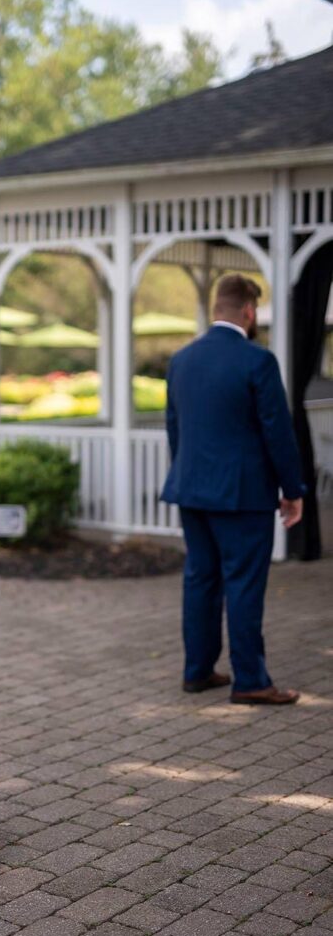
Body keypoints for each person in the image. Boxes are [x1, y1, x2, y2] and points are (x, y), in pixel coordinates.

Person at [161, 273, 305, 705]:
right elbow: (278, 432)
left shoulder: (181, 359)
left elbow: (175, 429)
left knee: (200, 579)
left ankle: (198, 671)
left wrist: (188, 474)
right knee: (243, 583)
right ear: (248, 311)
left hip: (192, 489)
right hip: (243, 495)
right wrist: (293, 488)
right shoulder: (258, 361)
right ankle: (251, 682)